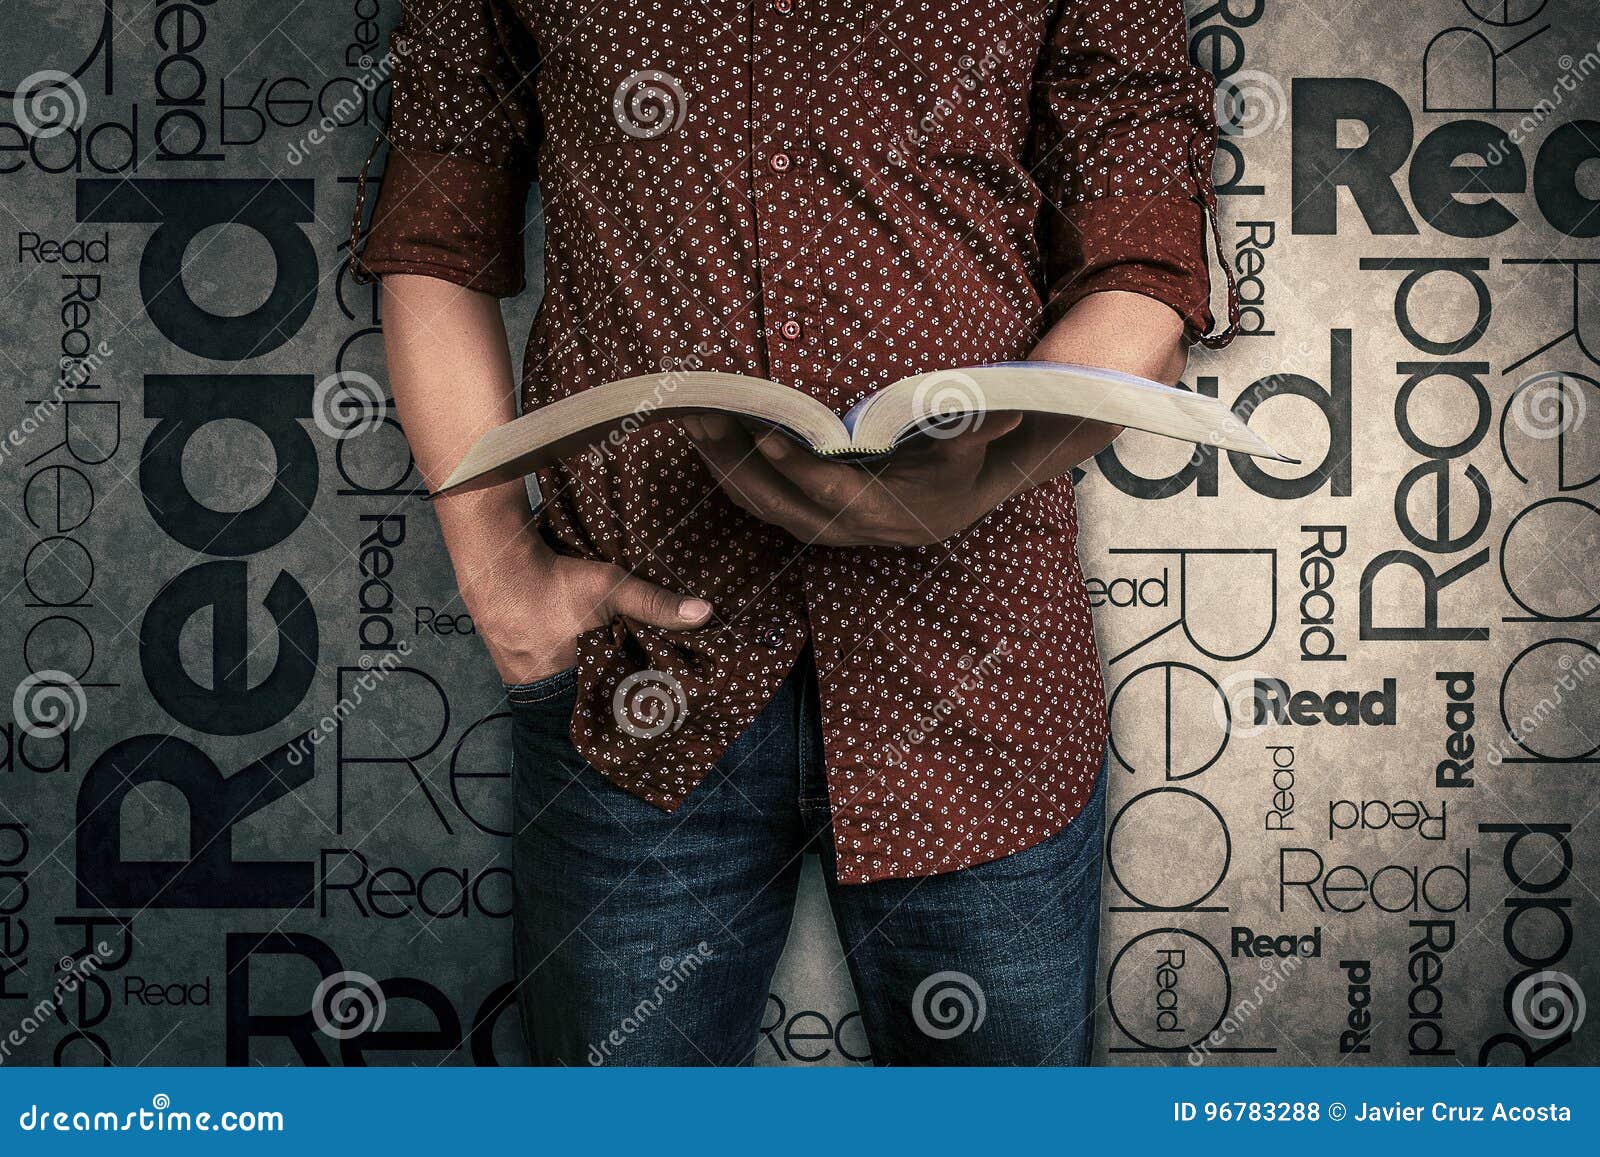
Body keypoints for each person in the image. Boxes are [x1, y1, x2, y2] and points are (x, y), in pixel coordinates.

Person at [352, 0, 1237, 1065]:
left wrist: (990, 462)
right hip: (634, 671)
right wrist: (500, 576)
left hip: (981, 661)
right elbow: (439, 217)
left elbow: (1140, 256)